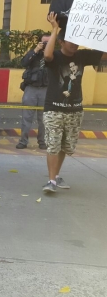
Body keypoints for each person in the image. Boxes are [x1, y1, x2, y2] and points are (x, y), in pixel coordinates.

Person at [41, 12, 107, 194]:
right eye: (71, 41)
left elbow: (104, 55)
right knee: (53, 144)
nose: (75, 44)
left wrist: (98, 30)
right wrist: (55, 28)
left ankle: (56, 175)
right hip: (53, 109)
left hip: (75, 110)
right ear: (61, 42)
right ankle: (51, 180)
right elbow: (46, 56)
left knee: (65, 146)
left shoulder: (82, 56)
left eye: (77, 40)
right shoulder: (55, 56)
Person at [17, 34, 51, 150]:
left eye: (49, 42)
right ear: (39, 42)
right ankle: (23, 141)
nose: (46, 45)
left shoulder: (53, 55)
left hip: (46, 90)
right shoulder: (33, 54)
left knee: (44, 119)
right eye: (44, 42)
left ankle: (42, 142)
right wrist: (36, 50)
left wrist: (48, 52)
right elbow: (24, 63)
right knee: (26, 117)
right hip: (31, 89)